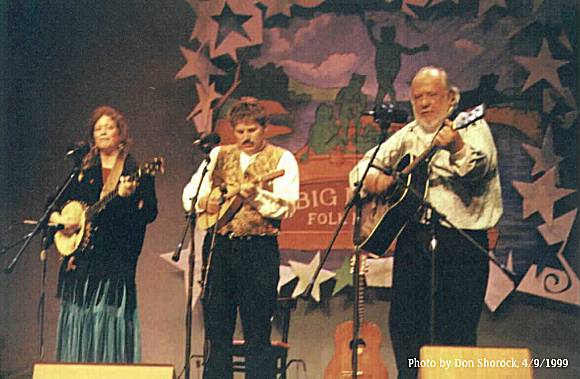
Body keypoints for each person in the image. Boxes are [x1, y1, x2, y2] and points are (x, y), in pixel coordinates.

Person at [349, 66, 502, 378]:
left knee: (455, 327)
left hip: (461, 241)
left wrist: (456, 146)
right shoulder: (408, 134)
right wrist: (375, 178)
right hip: (414, 239)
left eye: (432, 95)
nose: (424, 103)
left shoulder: (471, 127)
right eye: (418, 96)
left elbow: (479, 167)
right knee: (405, 323)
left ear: (450, 98)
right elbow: (361, 169)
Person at [182, 97, 300, 379]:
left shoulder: (282, 159)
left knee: (257, 333)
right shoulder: (218, 156)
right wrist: (206, 201)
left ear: (264, 128)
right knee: (217, 333)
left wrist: (256, 196)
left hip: (258, 250)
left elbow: (288, 205)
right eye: (240, 131)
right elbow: (189, 195)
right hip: (219, 249)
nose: (246, 137)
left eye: (252, 130)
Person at [50, 105, 158, 363]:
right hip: (82, 257)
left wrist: (128, 199)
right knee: (80, 313)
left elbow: (150, 212)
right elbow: (53, 205)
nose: (104, 132)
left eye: (109, 127)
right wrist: (60, 219)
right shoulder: (83, 170)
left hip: (116, 256)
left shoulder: (134, 169)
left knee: (106, 313)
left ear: (121, 133)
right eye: (98, 129)